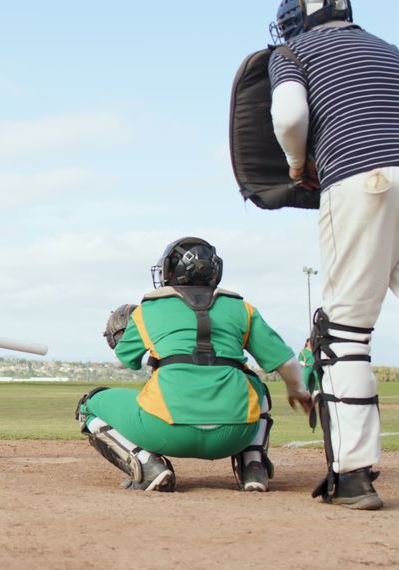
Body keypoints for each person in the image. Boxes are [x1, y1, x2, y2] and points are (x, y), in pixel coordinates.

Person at [268, 0, 399, 510]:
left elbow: (290, 115)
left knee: (344, 330)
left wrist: (299, 164)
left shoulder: (291, 51)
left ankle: (352, 477)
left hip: (359, 180)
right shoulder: (389, 51)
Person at [78, 237, 312, 492]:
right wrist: (297, 390)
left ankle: (148, 465)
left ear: (169, 272)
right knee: (257, 389)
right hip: (235, 436)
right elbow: (286, 361)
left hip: (166, 431)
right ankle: (253, 465)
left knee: (89, 404)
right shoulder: (242, 308)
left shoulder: (148, 309)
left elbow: (126, 360)